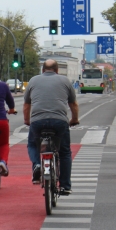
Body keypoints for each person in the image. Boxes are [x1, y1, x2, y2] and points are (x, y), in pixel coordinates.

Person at [24, 59, 79, 195]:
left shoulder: (33, 80)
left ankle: (37, 164)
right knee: (64, 152)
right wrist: (74, 119)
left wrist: (27, 121)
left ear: (42, 70)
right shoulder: (65, 81)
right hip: (59, 121)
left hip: (38, 121)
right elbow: (73, 104)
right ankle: (65, 185)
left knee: (32, 144)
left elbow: (26, 105)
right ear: (57, 70)